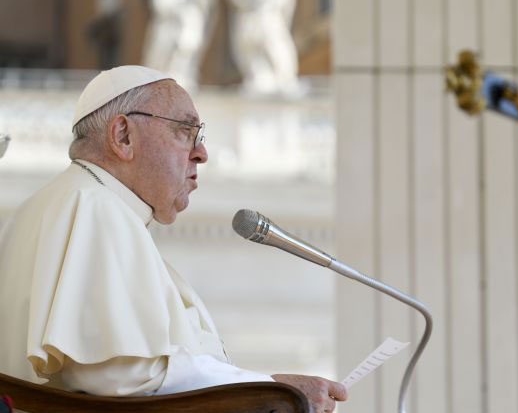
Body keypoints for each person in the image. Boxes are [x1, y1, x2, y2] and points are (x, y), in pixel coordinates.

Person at [0, 65, 346, 413]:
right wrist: (269, 389)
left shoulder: (64, 204)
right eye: (185, 131)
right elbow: (120, 374)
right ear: (122, 136)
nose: (201, 153)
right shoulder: (93, 206)